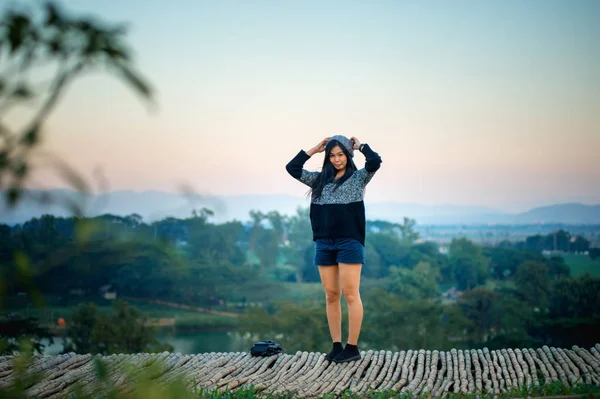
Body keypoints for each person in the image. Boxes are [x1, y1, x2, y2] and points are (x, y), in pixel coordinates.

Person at [285, 135, 382, 363]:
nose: (337, 159)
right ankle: (336, 345)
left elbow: (375, 162)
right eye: (332, 155)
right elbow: (292, 168)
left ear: (348, 156)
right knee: (331, 295)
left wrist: (360, 147)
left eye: (341, 154)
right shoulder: (318, 180)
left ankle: (352, 347)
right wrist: (314, 149)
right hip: (324, 243)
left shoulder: (359, 179)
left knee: (350, 294)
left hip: (349, 242)